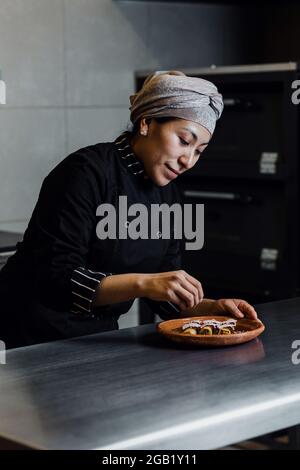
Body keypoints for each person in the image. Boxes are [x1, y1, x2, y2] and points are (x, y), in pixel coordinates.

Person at [0, 70, 258, 349]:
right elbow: (57, 280)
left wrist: (211, 309)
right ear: (146, 122)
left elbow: (164, 285)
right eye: (184, 141)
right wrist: (144, 283)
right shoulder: (85, 173)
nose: (188, 160)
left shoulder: (167, 193)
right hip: (31, 332)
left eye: (199, 151)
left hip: (97, 337)